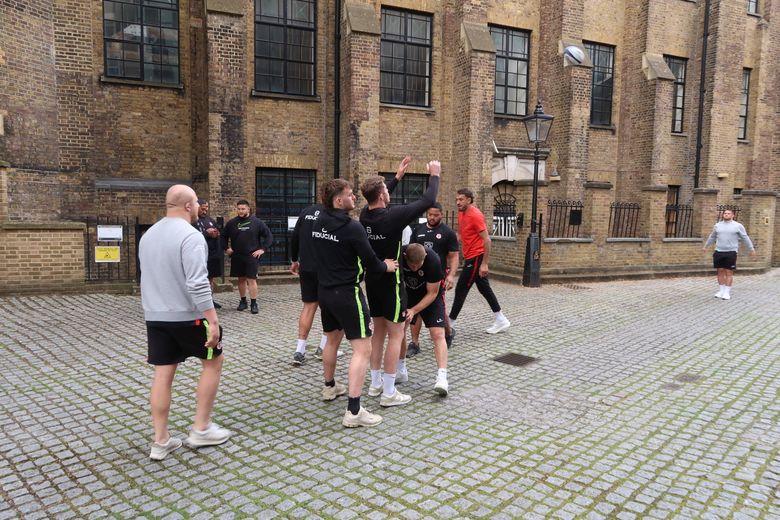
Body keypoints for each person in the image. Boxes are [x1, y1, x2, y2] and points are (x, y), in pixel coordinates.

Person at [139, 185, 231, 461]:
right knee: (213, 362)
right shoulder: (191, 236)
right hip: (188, 316)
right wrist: (212, 320)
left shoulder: (148, 235)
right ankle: (201, 427)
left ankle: (160, 440)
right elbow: (197, 283)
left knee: (163, 374)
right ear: (189, 206)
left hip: (156, 316)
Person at [311, 179, 398, 427]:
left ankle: (329, 387)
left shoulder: (318, 221)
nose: (354, 199)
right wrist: (387, 266)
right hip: (347, 294)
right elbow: (371, 262)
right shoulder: (352, 227)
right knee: (363, 349)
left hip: (325, 291)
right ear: (339, 201)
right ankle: (354, 410)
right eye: (350, 195)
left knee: (331, 338)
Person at [360, 157, 440, 407]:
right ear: (382, 196)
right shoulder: (392, 217)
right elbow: (428, 201)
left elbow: (375, 199)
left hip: (372, 281)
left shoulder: (365, 215)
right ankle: (389, 392)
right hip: (391, 283)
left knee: (378, 333)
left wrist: (395, 179)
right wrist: (435, 174)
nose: (388, 193)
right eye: (386, 190)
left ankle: (374, 384)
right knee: (396, 335)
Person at [448, 188, 510, 334]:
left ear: (469, 200)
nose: (458, 202)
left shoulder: (475, 215)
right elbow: (461, 233)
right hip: (470, 256)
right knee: (484, 289)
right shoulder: (461, 213)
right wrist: (450, 247)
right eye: (457, 199)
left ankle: (449, 324)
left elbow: (487, 240)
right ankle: (501, 319)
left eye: (461, 199)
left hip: (476, 257)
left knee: (461, 288)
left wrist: (484, 263)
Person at [289, 203, 340, 366]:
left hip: (307, 267)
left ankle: (299, 350)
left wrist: (294, 260)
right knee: (329, 308)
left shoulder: (306, 211)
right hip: (326, 268)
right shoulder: (334, 214)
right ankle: (323, 348)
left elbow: (295, 236)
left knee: (309, 306)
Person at [407, 202, 460, 355]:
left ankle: (448, 332)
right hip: (417, 276)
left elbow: (454, 256)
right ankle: (414, 343)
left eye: (435, 215)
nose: (432, 217)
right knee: (415, 309)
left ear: (441, 215)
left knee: (438, 309)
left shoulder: (448, 232)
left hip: (437, 277)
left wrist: (451, 275)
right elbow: (411, 251)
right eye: (430, 214)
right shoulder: (418, 230)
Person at [400, 243, 450, 396]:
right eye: (411, 265)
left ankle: (442, 378)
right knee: (399, 331)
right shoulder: (399, 255)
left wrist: (414, 310)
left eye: (418, 265)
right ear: (404, 258)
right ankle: (400, 369)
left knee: (437, 334)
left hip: (430, 296)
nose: (415, 269)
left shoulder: (433, 260)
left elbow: (433, 293)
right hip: (408, 294)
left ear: (425, 258)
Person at [221, 200, 273, 314]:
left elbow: (269, 236)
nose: (240, 211)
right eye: (239, 209)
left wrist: (262, 249)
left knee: (251, 279)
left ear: (248, 209)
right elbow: (223, 236)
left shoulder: (257, 222)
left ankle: (254, 303)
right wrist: (227, 248)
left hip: (251, 256)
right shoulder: (232, 223)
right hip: (237, 255)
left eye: (243, 209)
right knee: (241, 279)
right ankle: (243, 301)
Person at [703, 209, 756, 300]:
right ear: (723, 215)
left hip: (731, 252)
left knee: (728, 272)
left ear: (732, 215)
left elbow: (745, 238)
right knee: (720, 271)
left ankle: (727, 292)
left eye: (728, 213)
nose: (726, 215)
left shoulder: (738, 226)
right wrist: (706, 246)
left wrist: (751, 248)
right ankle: (721, 291)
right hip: (718, 251)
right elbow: (712, 237)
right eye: (725, 213)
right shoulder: (717, 226)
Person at [194, 199, 224, 309]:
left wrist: (216, 233)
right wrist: (206, 233)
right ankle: (200, 302)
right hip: (199, 255)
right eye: (202, 208)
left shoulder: (209, 220)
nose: (205, 210)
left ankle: (210, 300)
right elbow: (193, 238)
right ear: (196, 207)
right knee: (201, 279)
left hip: (212, 254)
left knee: (210, 278)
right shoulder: (192, 221)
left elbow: (218, 231)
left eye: (206, 208)